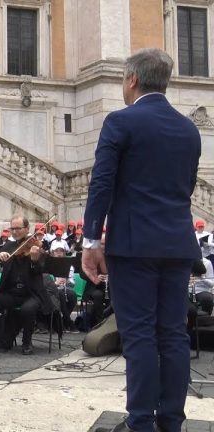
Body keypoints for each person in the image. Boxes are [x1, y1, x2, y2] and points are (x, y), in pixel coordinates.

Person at [84, 49, 201, 432]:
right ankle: (170, 422)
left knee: (138, 337)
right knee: (173, 334)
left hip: (133, 247)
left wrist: (90, 242)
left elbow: (101, 185)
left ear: (132, 80)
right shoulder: (189, 129)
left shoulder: (120, 122)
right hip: (177, 245)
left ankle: (140, 423)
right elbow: (185, 188)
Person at [0, 216, 52, 355]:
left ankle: (27, 342)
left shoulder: (35, 247)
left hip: (31, 294)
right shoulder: (8, 246)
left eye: (18, 228)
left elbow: (40, 271)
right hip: (12, 293)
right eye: (12, 228)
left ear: (27, 229)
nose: (14, 231)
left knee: (27, 309)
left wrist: (34, 261)